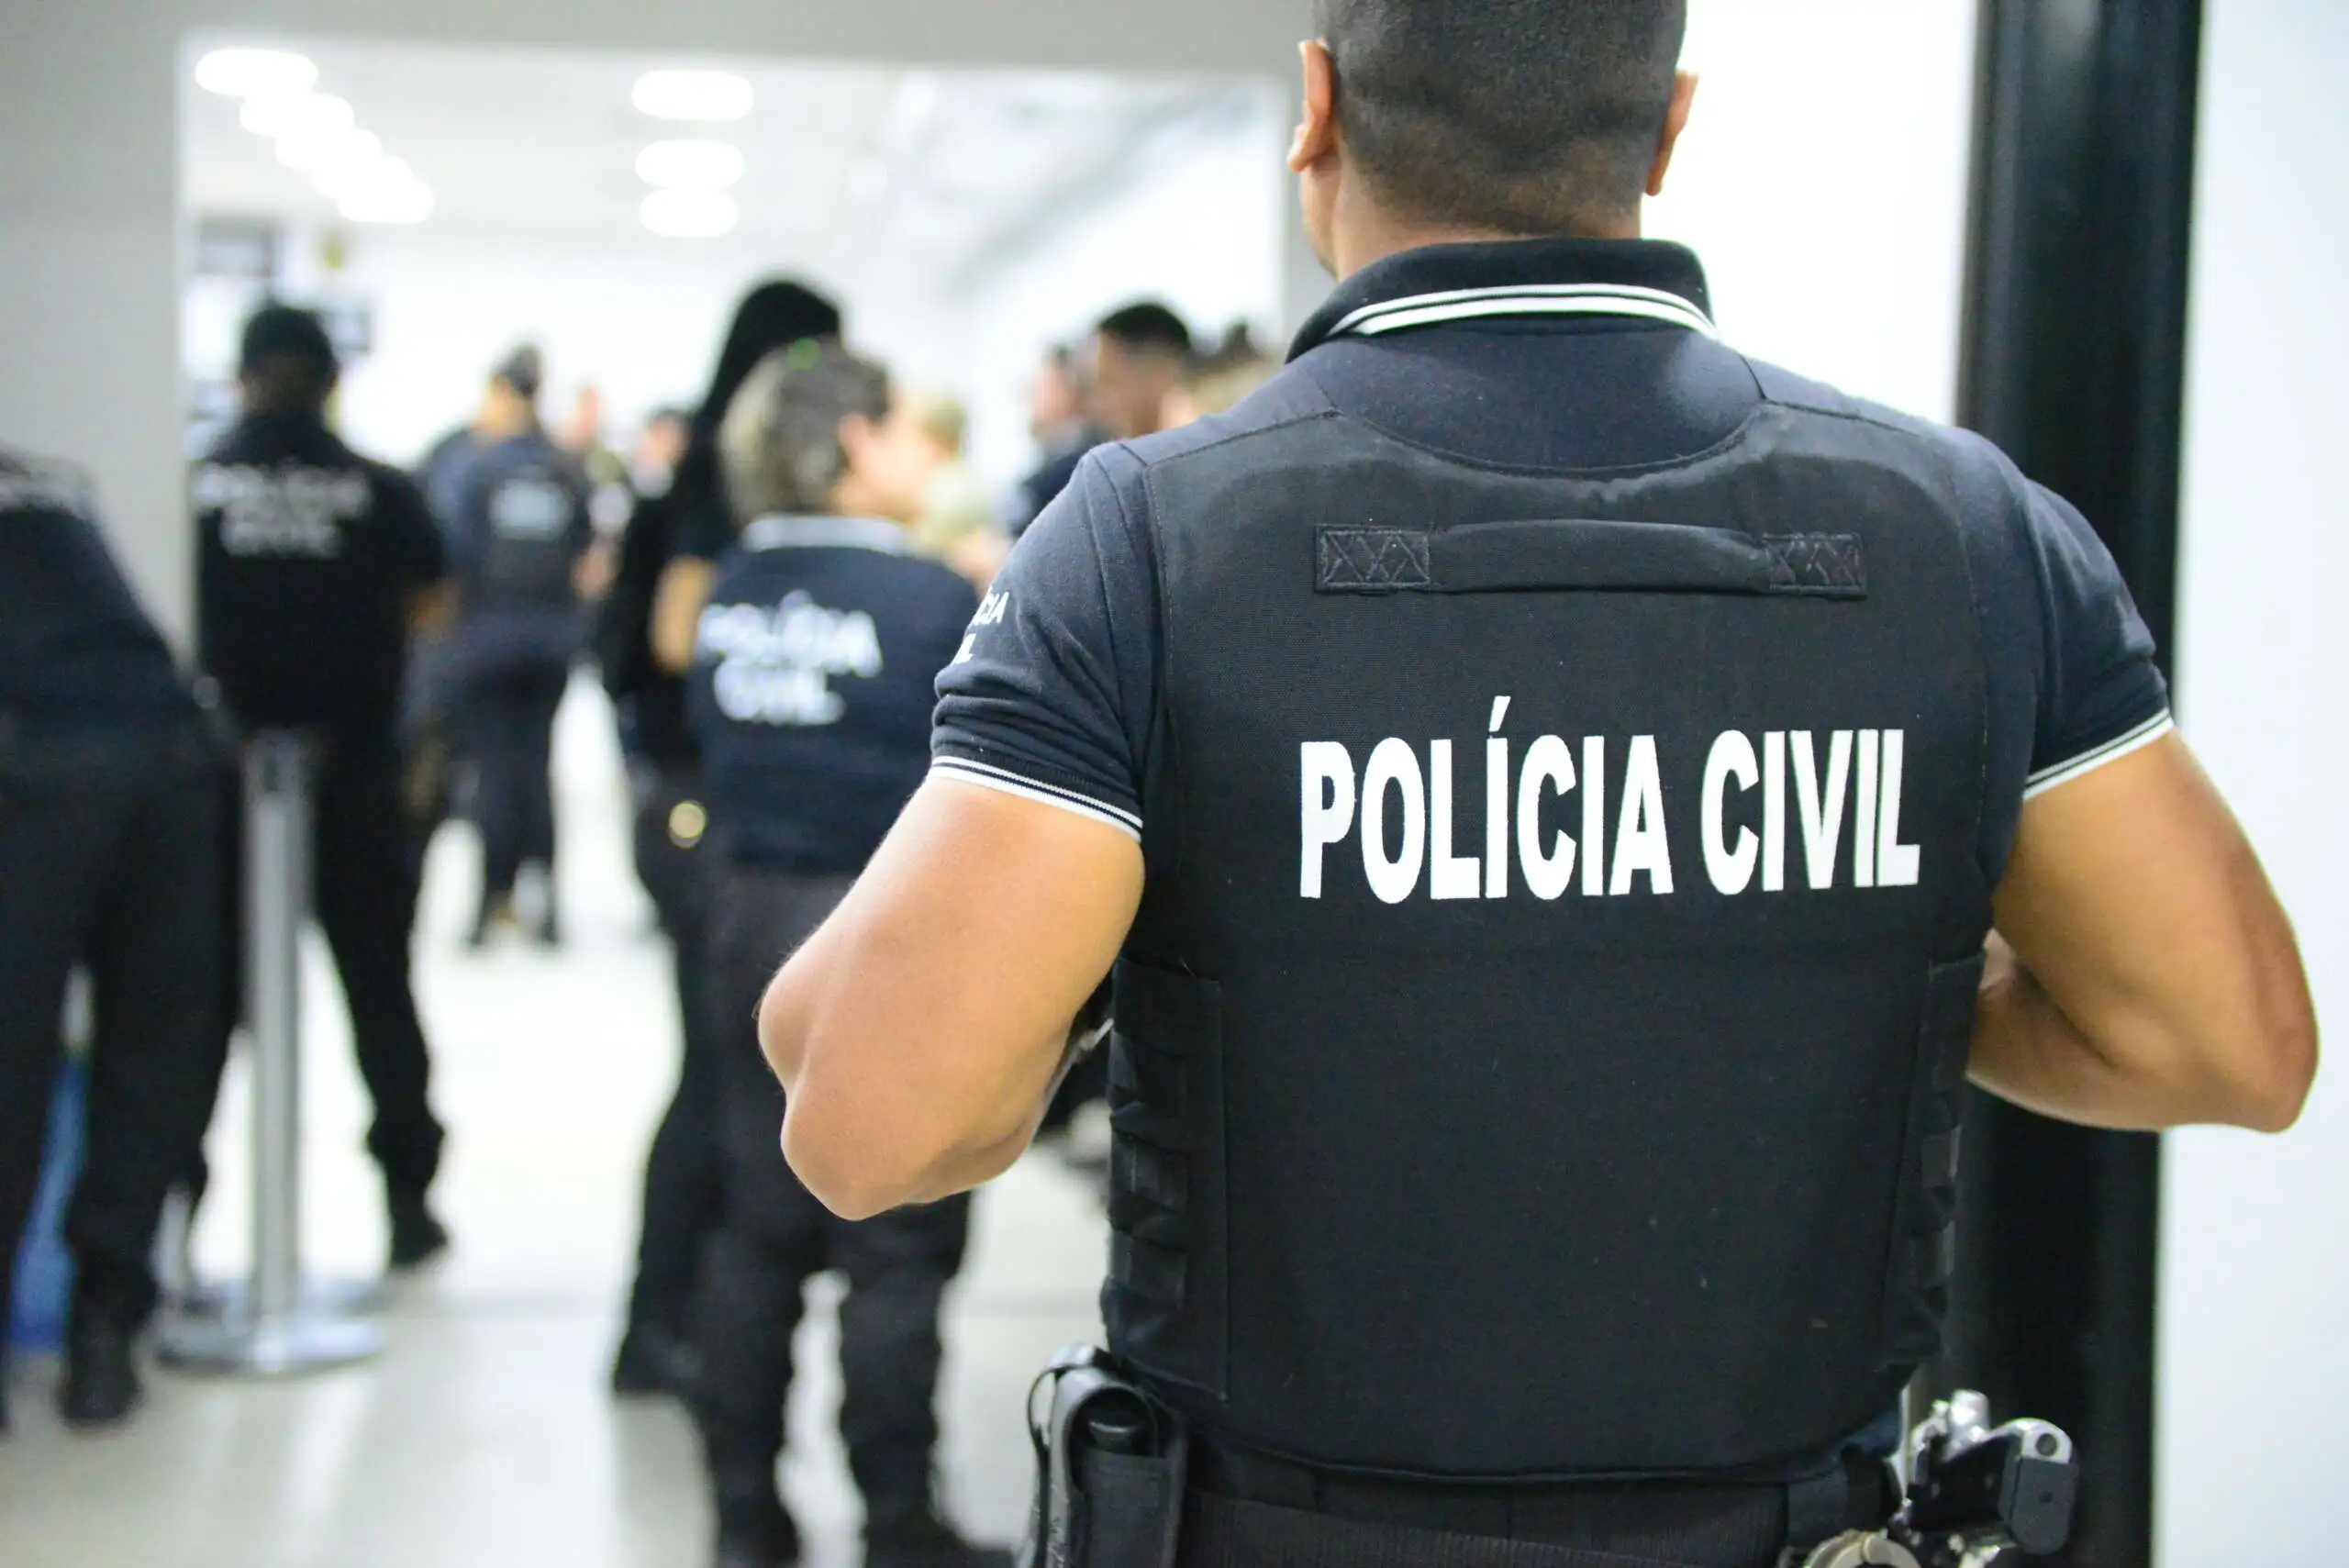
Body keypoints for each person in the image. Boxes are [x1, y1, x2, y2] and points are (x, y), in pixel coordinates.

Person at [745, 5, 2320, 1567]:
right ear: (1672, 124)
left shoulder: (1156, 541)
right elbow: (2225, 1041)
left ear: (1317, 110)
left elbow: (874, 1126)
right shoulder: (1969, 533)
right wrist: (1864, 975)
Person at [683, 339, 997, 1568]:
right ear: (859, 442)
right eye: (915, 428)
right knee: (899, 1241)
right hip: (883, 933)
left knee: (753, 1228)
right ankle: (899, 1521)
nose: (932, 454)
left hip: (744, 916)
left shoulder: (728, 593)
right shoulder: (929, 600)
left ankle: (743, 1514)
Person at [595, 281, 844, 1399]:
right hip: (704, 806)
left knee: (715, 1071)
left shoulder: (696, 467)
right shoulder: (713, 475)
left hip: (691, 797)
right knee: (717, 1081)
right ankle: (658, 1323)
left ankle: (669, 1317)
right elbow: (676, 631)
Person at [194, 304, 455, 1272]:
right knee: (379, 991)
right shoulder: (379, 488)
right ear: (332, 379)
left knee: (201, 1005)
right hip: (353, 770)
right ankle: (410, 1198)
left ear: (241, 373)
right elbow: (433, 603)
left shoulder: (196, 482)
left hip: (221, 779)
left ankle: (176, 1208)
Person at [0, 455, 228, 1432]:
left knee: (12, 1061)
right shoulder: (50, 485)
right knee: (154, 1054)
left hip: (40, 767)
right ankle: (104, 1334)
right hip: (172, 754)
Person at [440, 347, 596, 948]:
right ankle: (550, 908)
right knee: (537, 769)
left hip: (489, 639)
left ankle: (488, 903)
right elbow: (584, 553)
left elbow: (461, 556)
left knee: (493, 774)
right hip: (552, 640)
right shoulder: (566, 469)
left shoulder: (479, 470)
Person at [999, 344, 1099, 539]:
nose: (1029, 395)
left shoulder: (1085, 467)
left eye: (1041, 386)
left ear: (1069, 389)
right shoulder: (1050, 459)